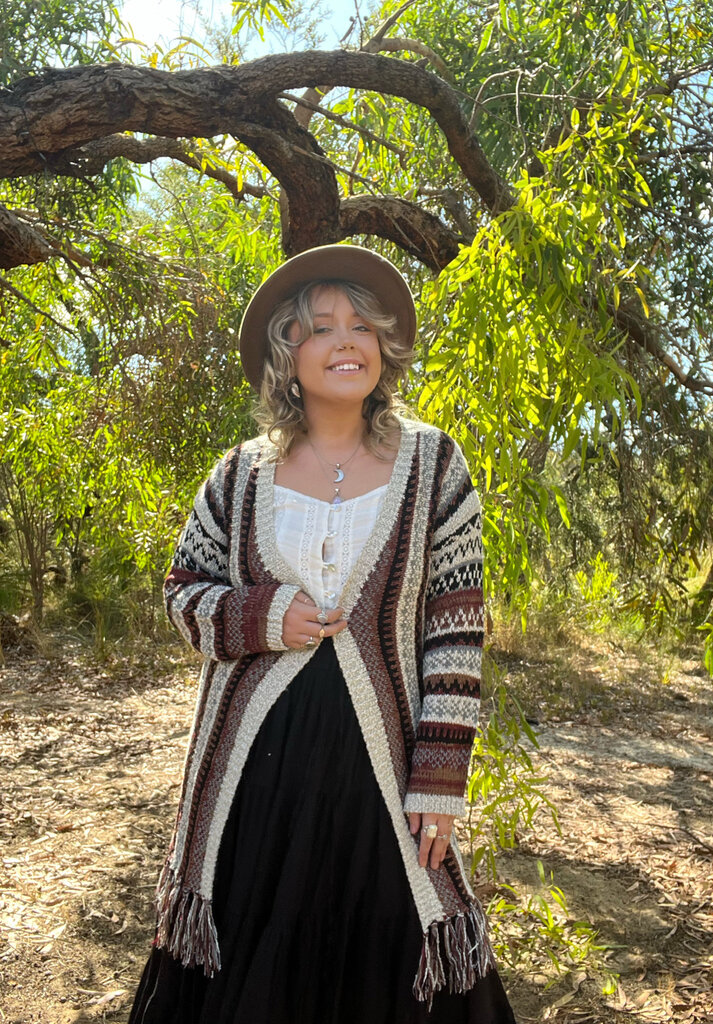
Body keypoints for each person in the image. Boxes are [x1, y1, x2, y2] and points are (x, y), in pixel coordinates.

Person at [129, 244, 516, 1024]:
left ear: (384, 348)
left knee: (391, 951)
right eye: (322, 327)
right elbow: (181, 597)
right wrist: (264, 617)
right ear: (288, 354)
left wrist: (440, 777)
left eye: (363, 326)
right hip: (252, 784)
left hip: (380, 780)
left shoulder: (436, 465)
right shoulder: (236, 476)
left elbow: (456, 629)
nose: (348, 341)